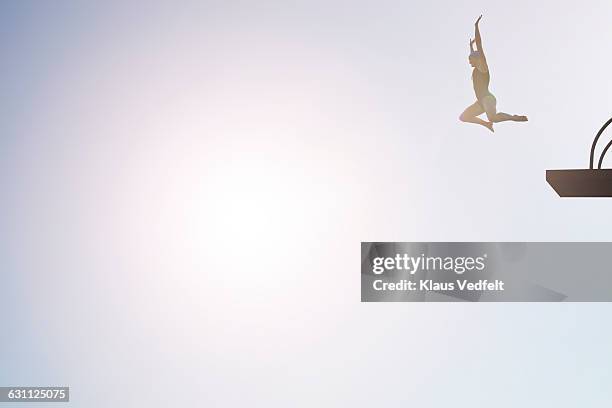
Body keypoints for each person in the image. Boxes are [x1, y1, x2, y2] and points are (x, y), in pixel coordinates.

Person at [459, 15, 528, 132]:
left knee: (493, 117)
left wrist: (476, 27)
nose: (469, 63)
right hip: (481, 101)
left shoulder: (483, 67)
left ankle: (513, 117)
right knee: (463, 117)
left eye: (470, 61)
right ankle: (486, 124)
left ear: (477, 59)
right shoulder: (476, 66)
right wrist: (470, 46)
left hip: (488, 98)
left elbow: (479, 46)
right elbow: (473, 53)